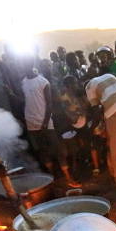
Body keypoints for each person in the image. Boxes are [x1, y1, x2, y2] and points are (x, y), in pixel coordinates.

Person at [20, 56, 79, 186]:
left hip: (45, 122)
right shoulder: (23, 82)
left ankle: (68, 178)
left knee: (58, 150)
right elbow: (25, 101)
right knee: (43, 151)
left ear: (31, 63)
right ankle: (51, 179)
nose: (24, 66)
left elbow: (49, 104)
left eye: (26, 63)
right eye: (23, 63)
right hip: (31, 123)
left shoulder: (43, 82)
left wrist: (46, 122)